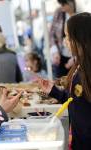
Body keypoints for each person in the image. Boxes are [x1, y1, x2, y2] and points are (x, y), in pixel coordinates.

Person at [36, 12, 91, 150]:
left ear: (81, 39)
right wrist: (53, 91)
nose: (65, 41)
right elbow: (73, 99)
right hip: (78, 141)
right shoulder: (79, 67)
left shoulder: (87, 71)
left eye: (68, 36)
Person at [50, 0, 76, 78]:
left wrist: (76, 58)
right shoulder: (59, 13)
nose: (61, 7)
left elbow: (85, 41)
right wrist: (55, 52)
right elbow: (52, 34)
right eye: (60, 4)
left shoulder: (81, 15)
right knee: (59, 82)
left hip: (77, 58)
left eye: (63, 4)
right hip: (61, 56)